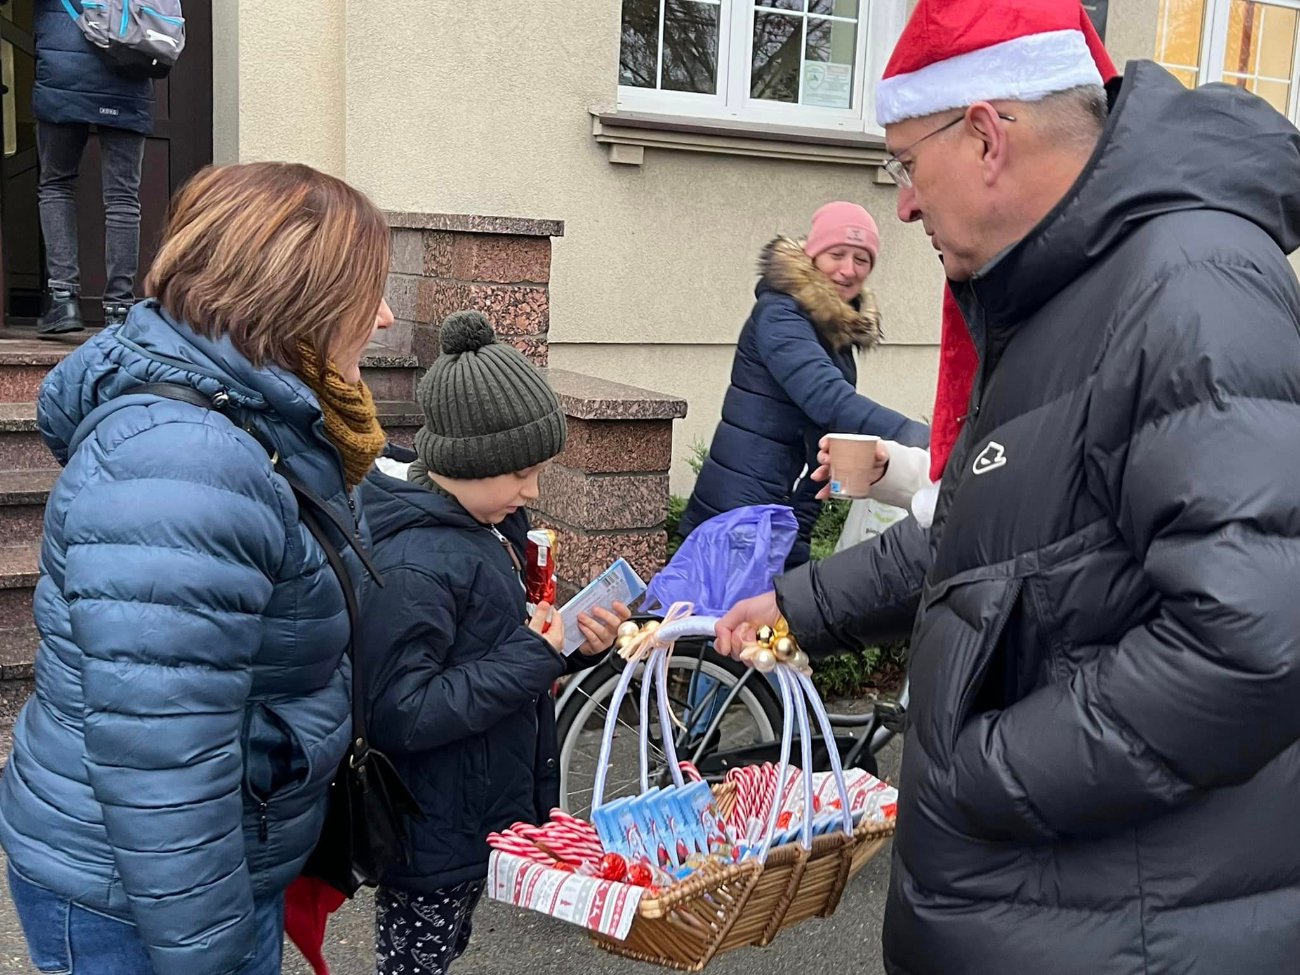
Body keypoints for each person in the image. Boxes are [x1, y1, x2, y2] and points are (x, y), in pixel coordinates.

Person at [716, 0, 1300, 971]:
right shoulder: (1061, 293)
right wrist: (796, 603)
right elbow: (987, 536)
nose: (901, 204)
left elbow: (1251, 643)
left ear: (985, 135)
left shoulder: (1186, 287)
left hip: (1119, 933)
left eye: (906, 163)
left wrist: (972, 771)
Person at [0, 162, 394, 975]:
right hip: (136, 896)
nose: (385, 317)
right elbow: (161, 761)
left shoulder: (251, 416)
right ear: (300, 301)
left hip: (188, 875)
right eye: (368, 295)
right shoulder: (190, 462)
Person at [358, 311, 631, 975]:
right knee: (416, 958)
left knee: (443, 947)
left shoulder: (487, 522)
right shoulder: (416, 561)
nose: (532, 491)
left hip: (470, 810)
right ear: (470, 461)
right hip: (429, 827)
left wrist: (570, 644)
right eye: (522, 474)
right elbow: (402, 709)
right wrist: (534, 655)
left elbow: (491, 650)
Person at [679, 201, 929, 569]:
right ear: (813, 257)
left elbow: (827, 430)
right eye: (837, 254)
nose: (849, 270)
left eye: (862, 259)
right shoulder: (781, 314)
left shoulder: (835, 327)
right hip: (740, 511)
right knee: (717, 621)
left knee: (774, 622)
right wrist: (923, 440)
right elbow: (829, 401)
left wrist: (805, 522)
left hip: (784, 511)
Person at [32, 0, 155, 335]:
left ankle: (63, 299)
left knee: (56, 184)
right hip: (127, 70)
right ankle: (119, 309)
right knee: (123, 199)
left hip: (63, 74)